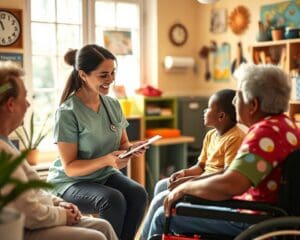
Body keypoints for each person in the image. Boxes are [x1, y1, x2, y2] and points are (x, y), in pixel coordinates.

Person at [148, 63, 300, 238]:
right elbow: (231, 175)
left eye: (238, 96)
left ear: (253, 104)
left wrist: (186, 188)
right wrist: (189, 184)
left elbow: (231, 184)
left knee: (163, 216)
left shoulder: (265, 134)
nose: (234, 102)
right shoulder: (286, 125)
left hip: (253, 219)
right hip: (268, 214)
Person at [0, 61, 118, 240]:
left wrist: (59, 203)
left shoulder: (7, 144)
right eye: (24, 97)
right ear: (10, 104)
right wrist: (62, 215)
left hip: (40, 216)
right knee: (97, 236)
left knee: (103, 226)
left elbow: (34, 193)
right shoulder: (4, 155)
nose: (28, 104)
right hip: (24, 230)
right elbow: (30, 214)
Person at [46, 44, 148, 240]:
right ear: (83, 75)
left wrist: (132, 149)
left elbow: (123, 143)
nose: (110, 80)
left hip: (103, 175)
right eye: (103, 75)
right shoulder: (68, 113)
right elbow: (70, 168)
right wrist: (106, 160)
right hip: (71, 182)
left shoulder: (112, 104)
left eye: (112, 73)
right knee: (113, 200)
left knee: (138, 194)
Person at [139, 89, 245, 239]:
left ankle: (148, 235)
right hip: (204, 181)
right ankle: (159, 234)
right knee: (161, 185)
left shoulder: (235, 138)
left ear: (221, 116)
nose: (204, 111)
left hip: (213, 187)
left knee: (159, 200)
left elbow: (226, 174)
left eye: (208, 108)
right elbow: (201, 167)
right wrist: (184, 173)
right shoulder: (211, 135)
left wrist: (190, 181)